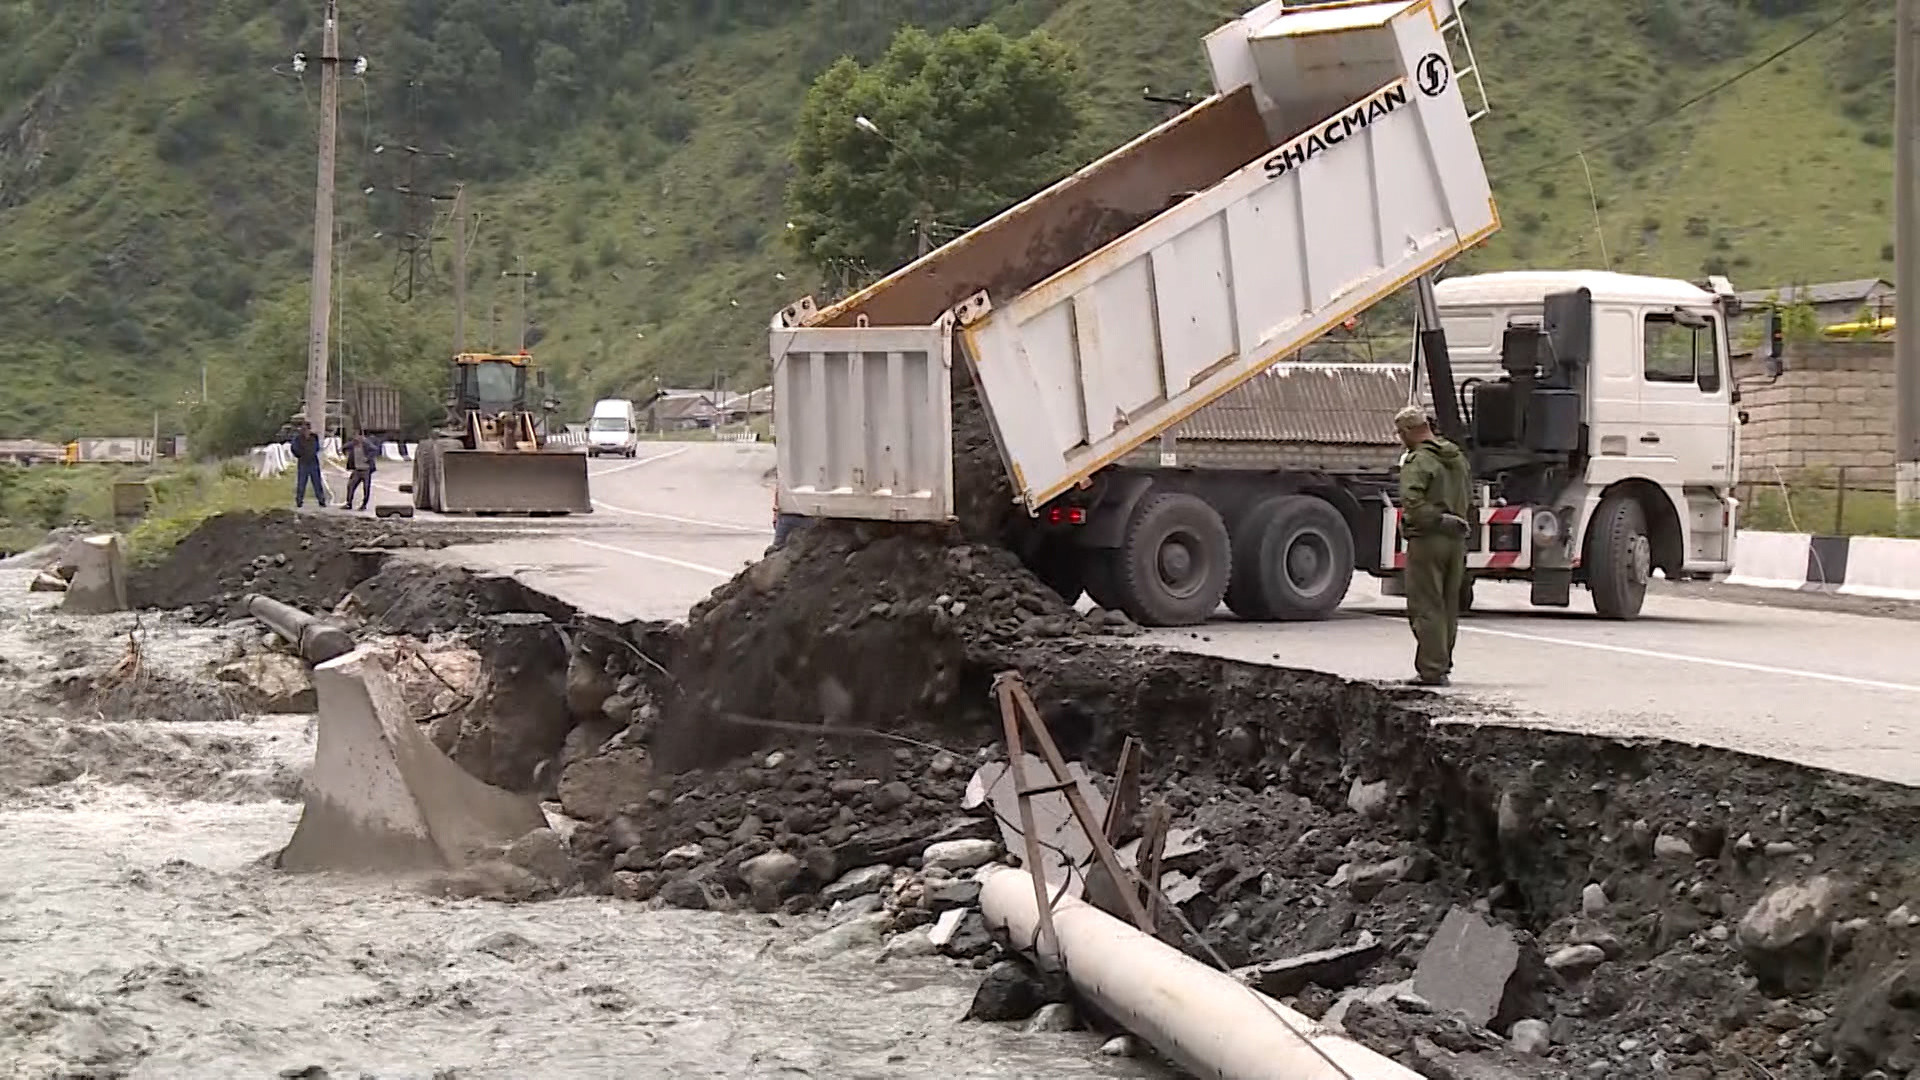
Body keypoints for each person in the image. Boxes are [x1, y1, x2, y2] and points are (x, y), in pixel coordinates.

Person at [1394, 404, 1472, 687]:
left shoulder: (1419, 461)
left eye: (1401, 433)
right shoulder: (1457, 457)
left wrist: (1435, 519)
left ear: (1409, 432)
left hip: (1430, 538)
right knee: (1448, 604)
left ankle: (1431, 669)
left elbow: (1412, 503)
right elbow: (1467, 496)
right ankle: (1443, 663)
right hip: (1457, 540)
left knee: (1426, 604)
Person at [289, 420, 328, 509]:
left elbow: (317, 447)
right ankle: (299, 501)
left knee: (317, 482)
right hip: (303, 462)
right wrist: (300, 454)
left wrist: (312, 453)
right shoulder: (298, 439)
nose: (305, 431)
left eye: (306, 429)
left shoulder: (314, 437)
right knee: (301, 483)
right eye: (303, 429)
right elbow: (294, 448)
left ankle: (321, 500)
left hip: (313, 462)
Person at [344, 430, 379, 511]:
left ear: (361, 436)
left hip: (366, 470)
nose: (355, 437)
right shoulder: (353, 443)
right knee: (350, 486)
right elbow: (345, 446)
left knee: (366, 488)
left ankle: (364, 505)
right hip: (357, 469)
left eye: (357, 435)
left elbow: (375, 449)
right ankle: (349, 503)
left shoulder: (366, 443)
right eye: (354, 436)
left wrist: (368, 458)